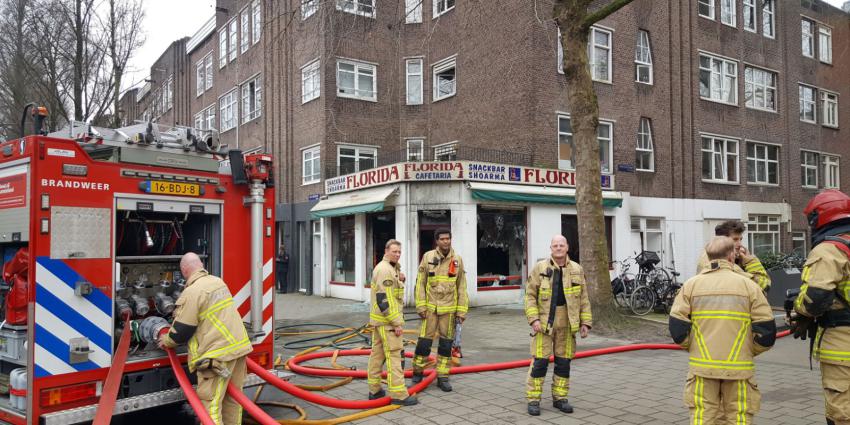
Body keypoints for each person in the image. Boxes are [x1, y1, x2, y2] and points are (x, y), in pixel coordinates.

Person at [670, 236, 776, 425]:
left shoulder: (690, 285)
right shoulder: (749, 285)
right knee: (739, 416)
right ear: (731, 256)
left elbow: (678, 329)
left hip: (702, 368)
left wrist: (694, 347)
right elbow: (766, 332)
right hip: (740, 370)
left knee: (703, 417)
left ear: (709, 257)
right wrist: (749, 350)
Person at [158, 252, 252, 425]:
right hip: (238, 350)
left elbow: (182, 331)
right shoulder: (218, 282)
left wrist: (166, 340)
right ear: (201, 265)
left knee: (210, 406)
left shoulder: (192, 292)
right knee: (232, 401)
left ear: (184, 270)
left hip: (216, 357)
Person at [791, 190, 850, 425]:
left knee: (842, 411)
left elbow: (815, 298)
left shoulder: (829, 249)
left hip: (842, 342)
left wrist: (800, 311)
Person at [523, 235, 592, 416]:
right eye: (555, 245)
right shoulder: (540, 268)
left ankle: (560, 398)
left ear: (567, 247)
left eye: (562, 245)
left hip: (568, 324)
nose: (559, 248)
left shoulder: (577, 269)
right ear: (551, 248)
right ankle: (533, 399)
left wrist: (586, 322)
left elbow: (584, 298)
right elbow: (530, 296)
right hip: (545, 324)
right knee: (540, 362)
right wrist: (534, 319)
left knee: (563, 363)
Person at [412, 229, 468, 392]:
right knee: (424, 343)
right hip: (430, 309)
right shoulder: (428, 257)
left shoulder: (457, 260)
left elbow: (462, 287)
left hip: (449, 311)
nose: (446, 241)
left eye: (448, 238)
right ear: (436, 241)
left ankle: (443, 377)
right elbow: (420, 284)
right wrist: (421, 306)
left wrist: (462, 311)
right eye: (442, 239)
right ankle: (417, 373)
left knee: (446, 344)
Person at [366, 240, 417, 406]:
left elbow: (392, 293)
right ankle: (399, 394)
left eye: (399, 252)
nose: (397, 254)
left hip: (380, 322)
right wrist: (396, 323)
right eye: (394, 251)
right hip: (388, 323)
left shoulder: (391, 268)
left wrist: (401, 278)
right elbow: (384, 300)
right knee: (395, 356)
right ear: (386, 250)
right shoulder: (384, 270)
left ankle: (374, 390)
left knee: (377, 355)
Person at [696, 220, 771, 293]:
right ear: (722, 240)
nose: (739, 244)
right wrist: (750, 261)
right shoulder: (729, 266)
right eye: (735, 239)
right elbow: (764, 285)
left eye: (740, 239)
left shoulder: (709, 256)